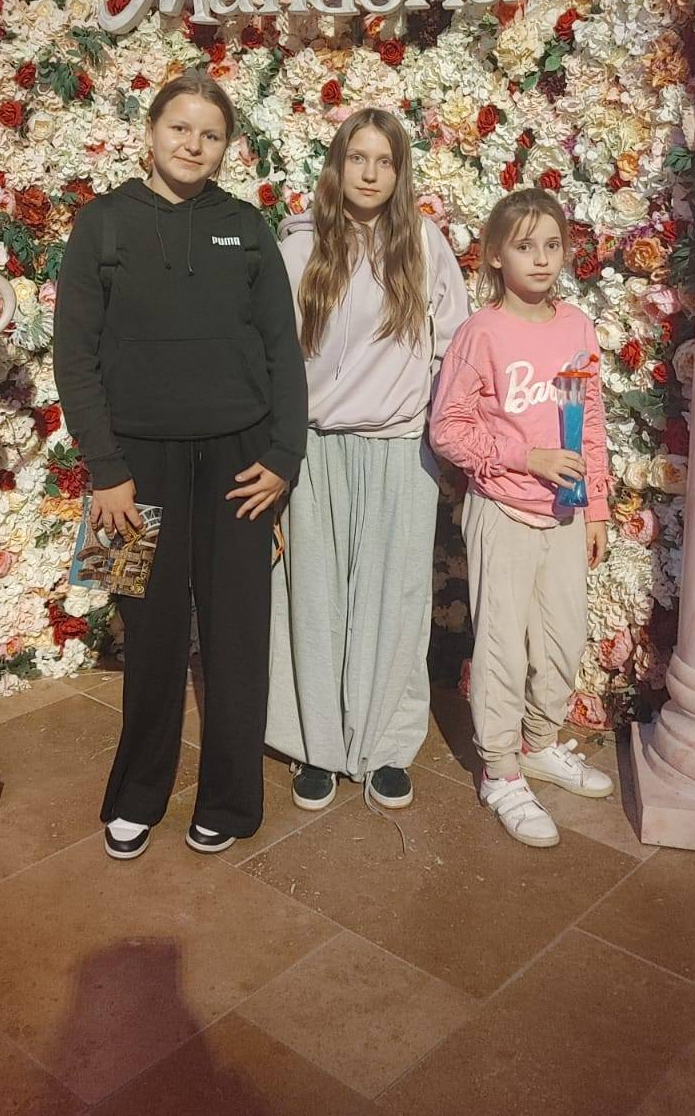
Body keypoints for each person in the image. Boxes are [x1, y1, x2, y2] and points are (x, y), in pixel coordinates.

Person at [54, 70, 307, 861]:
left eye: (210, 134)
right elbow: (74, 356)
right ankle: (136, 796)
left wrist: (284, 457)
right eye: (180, 128)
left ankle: (231, 802)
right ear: (151, 132)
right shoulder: (102, 224)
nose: (193, 144)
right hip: (128, 472)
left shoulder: (247, 228)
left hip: (240, 466)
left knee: (237, 638)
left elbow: (283, 350)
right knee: (147, 634)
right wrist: (105, 470)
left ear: (226, 147)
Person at [266, 108, 469, 812]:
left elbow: (454, 346)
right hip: (316, 448)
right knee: (313, 600)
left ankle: (385, 746)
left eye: (385, 160)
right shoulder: (299, 247)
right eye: (359, 157)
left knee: (396, 604)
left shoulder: (424, 243)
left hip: (400, 450)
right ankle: (317, 746)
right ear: (338, 164)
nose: (371, 172)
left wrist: (440, 435)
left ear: (399, 171)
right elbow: (273, 354)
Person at [429, 187, 613, 848]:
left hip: (565, 517)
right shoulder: (481, 333)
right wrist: (525, 457)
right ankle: (500, 770)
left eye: (552, 245)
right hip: (502, 510)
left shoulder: (576, 328)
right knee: (503, 646)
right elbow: (448, 428)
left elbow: (591, 419)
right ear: (495, 256)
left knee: (563, 639)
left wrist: (596, 507)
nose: (540, 258)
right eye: (525, 246)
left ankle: (538, 743)